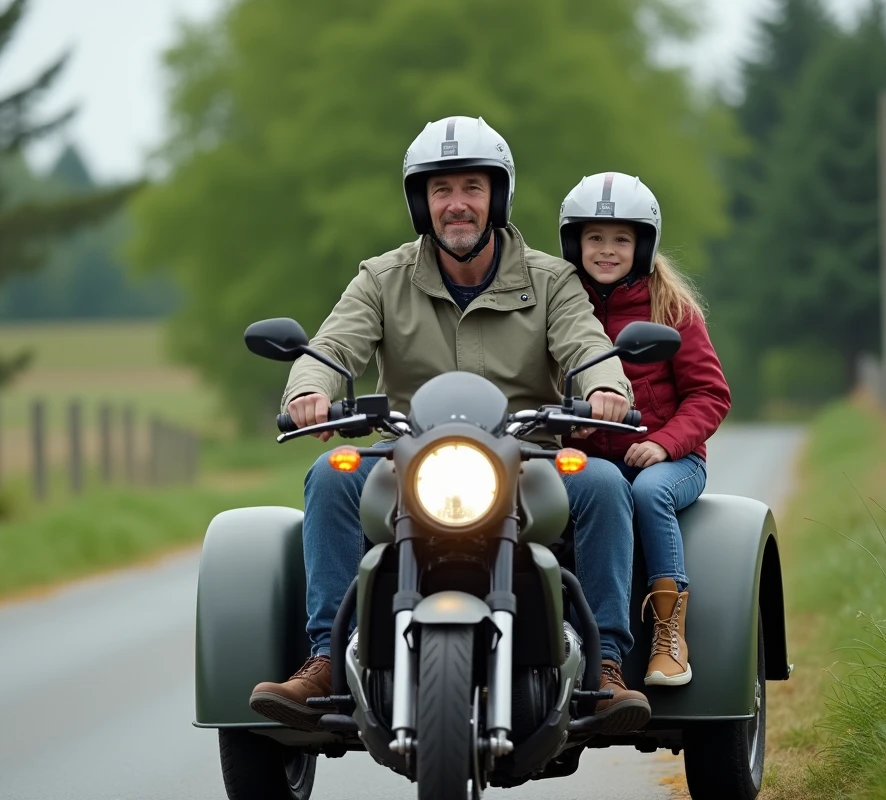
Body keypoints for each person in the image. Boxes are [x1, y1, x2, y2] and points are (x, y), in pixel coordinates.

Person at [248, 117, 651, 735]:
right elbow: (332, 347)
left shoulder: (551, 280)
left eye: (471, 187)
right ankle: (330, 656)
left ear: (497, 196)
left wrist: (605, 387)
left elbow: (588, 344)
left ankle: (608, 667)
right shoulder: (382, 278)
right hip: (409, 458)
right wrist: (309, 389)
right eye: (441, 190)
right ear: (421, 201)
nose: (457, 204)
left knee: (601, 484)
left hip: (527, 461)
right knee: (330, 476)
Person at [556, 172, 731, 687]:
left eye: (621, 240)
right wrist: (572, 426)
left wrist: (663, 442)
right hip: (588, 460)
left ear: (643, 244)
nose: (607, 251)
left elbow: (710, 395)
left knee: (650, 493)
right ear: (574, 243)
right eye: (595, 238)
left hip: (671, 460)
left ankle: (668, 633)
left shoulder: (672, 309)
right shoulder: (559, 307)